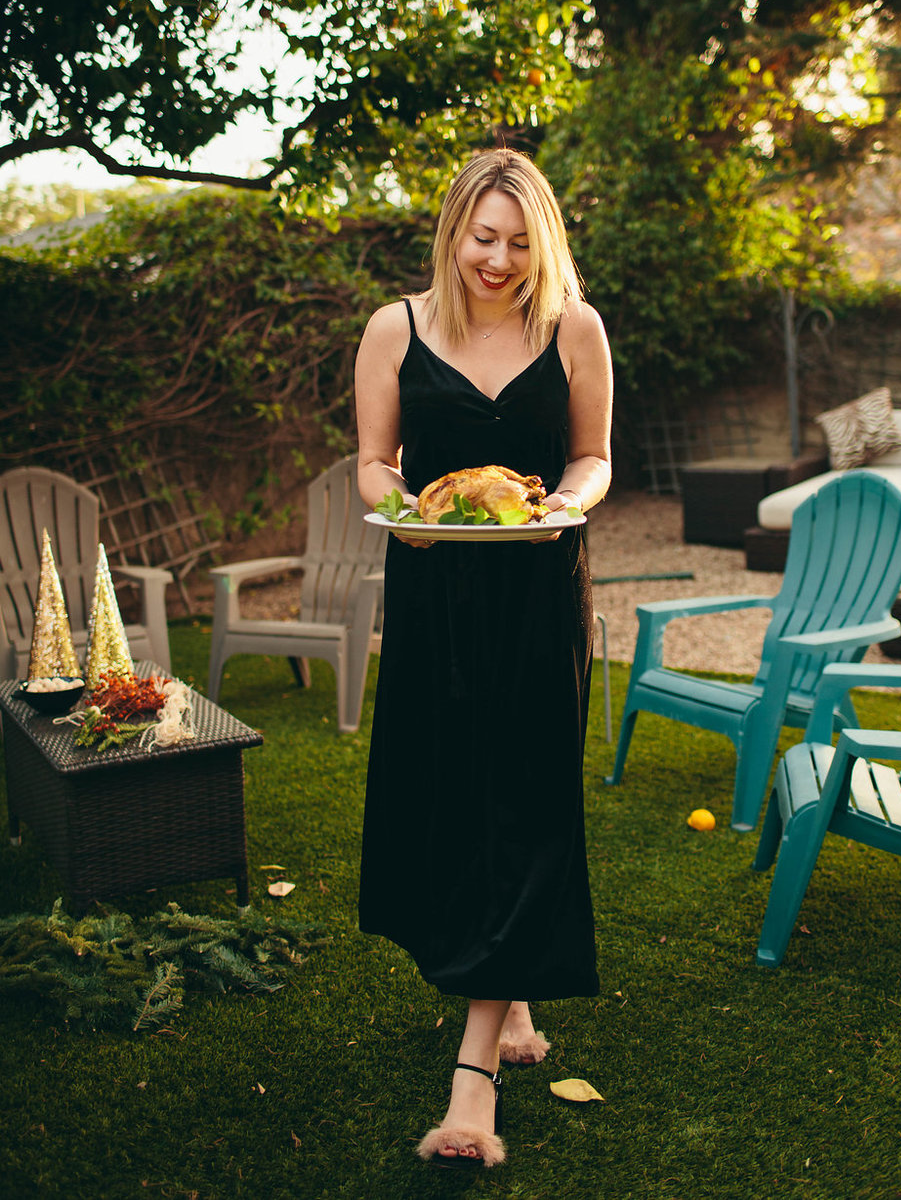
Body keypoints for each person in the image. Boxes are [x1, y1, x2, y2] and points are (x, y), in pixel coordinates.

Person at [354, 147, 613, 1170]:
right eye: (481, 238)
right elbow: (374, 463)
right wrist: (399, 511)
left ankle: (473, 1090)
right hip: (436, 595)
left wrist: (567, 504)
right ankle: (501, 994)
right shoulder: (396, 328)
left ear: (540, 239)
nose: (496, 261)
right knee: (452, 795)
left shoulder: (574, 328)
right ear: (453, 230)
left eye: (516, 242)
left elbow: (591, 457)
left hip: (541, 592)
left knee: (528, 800)